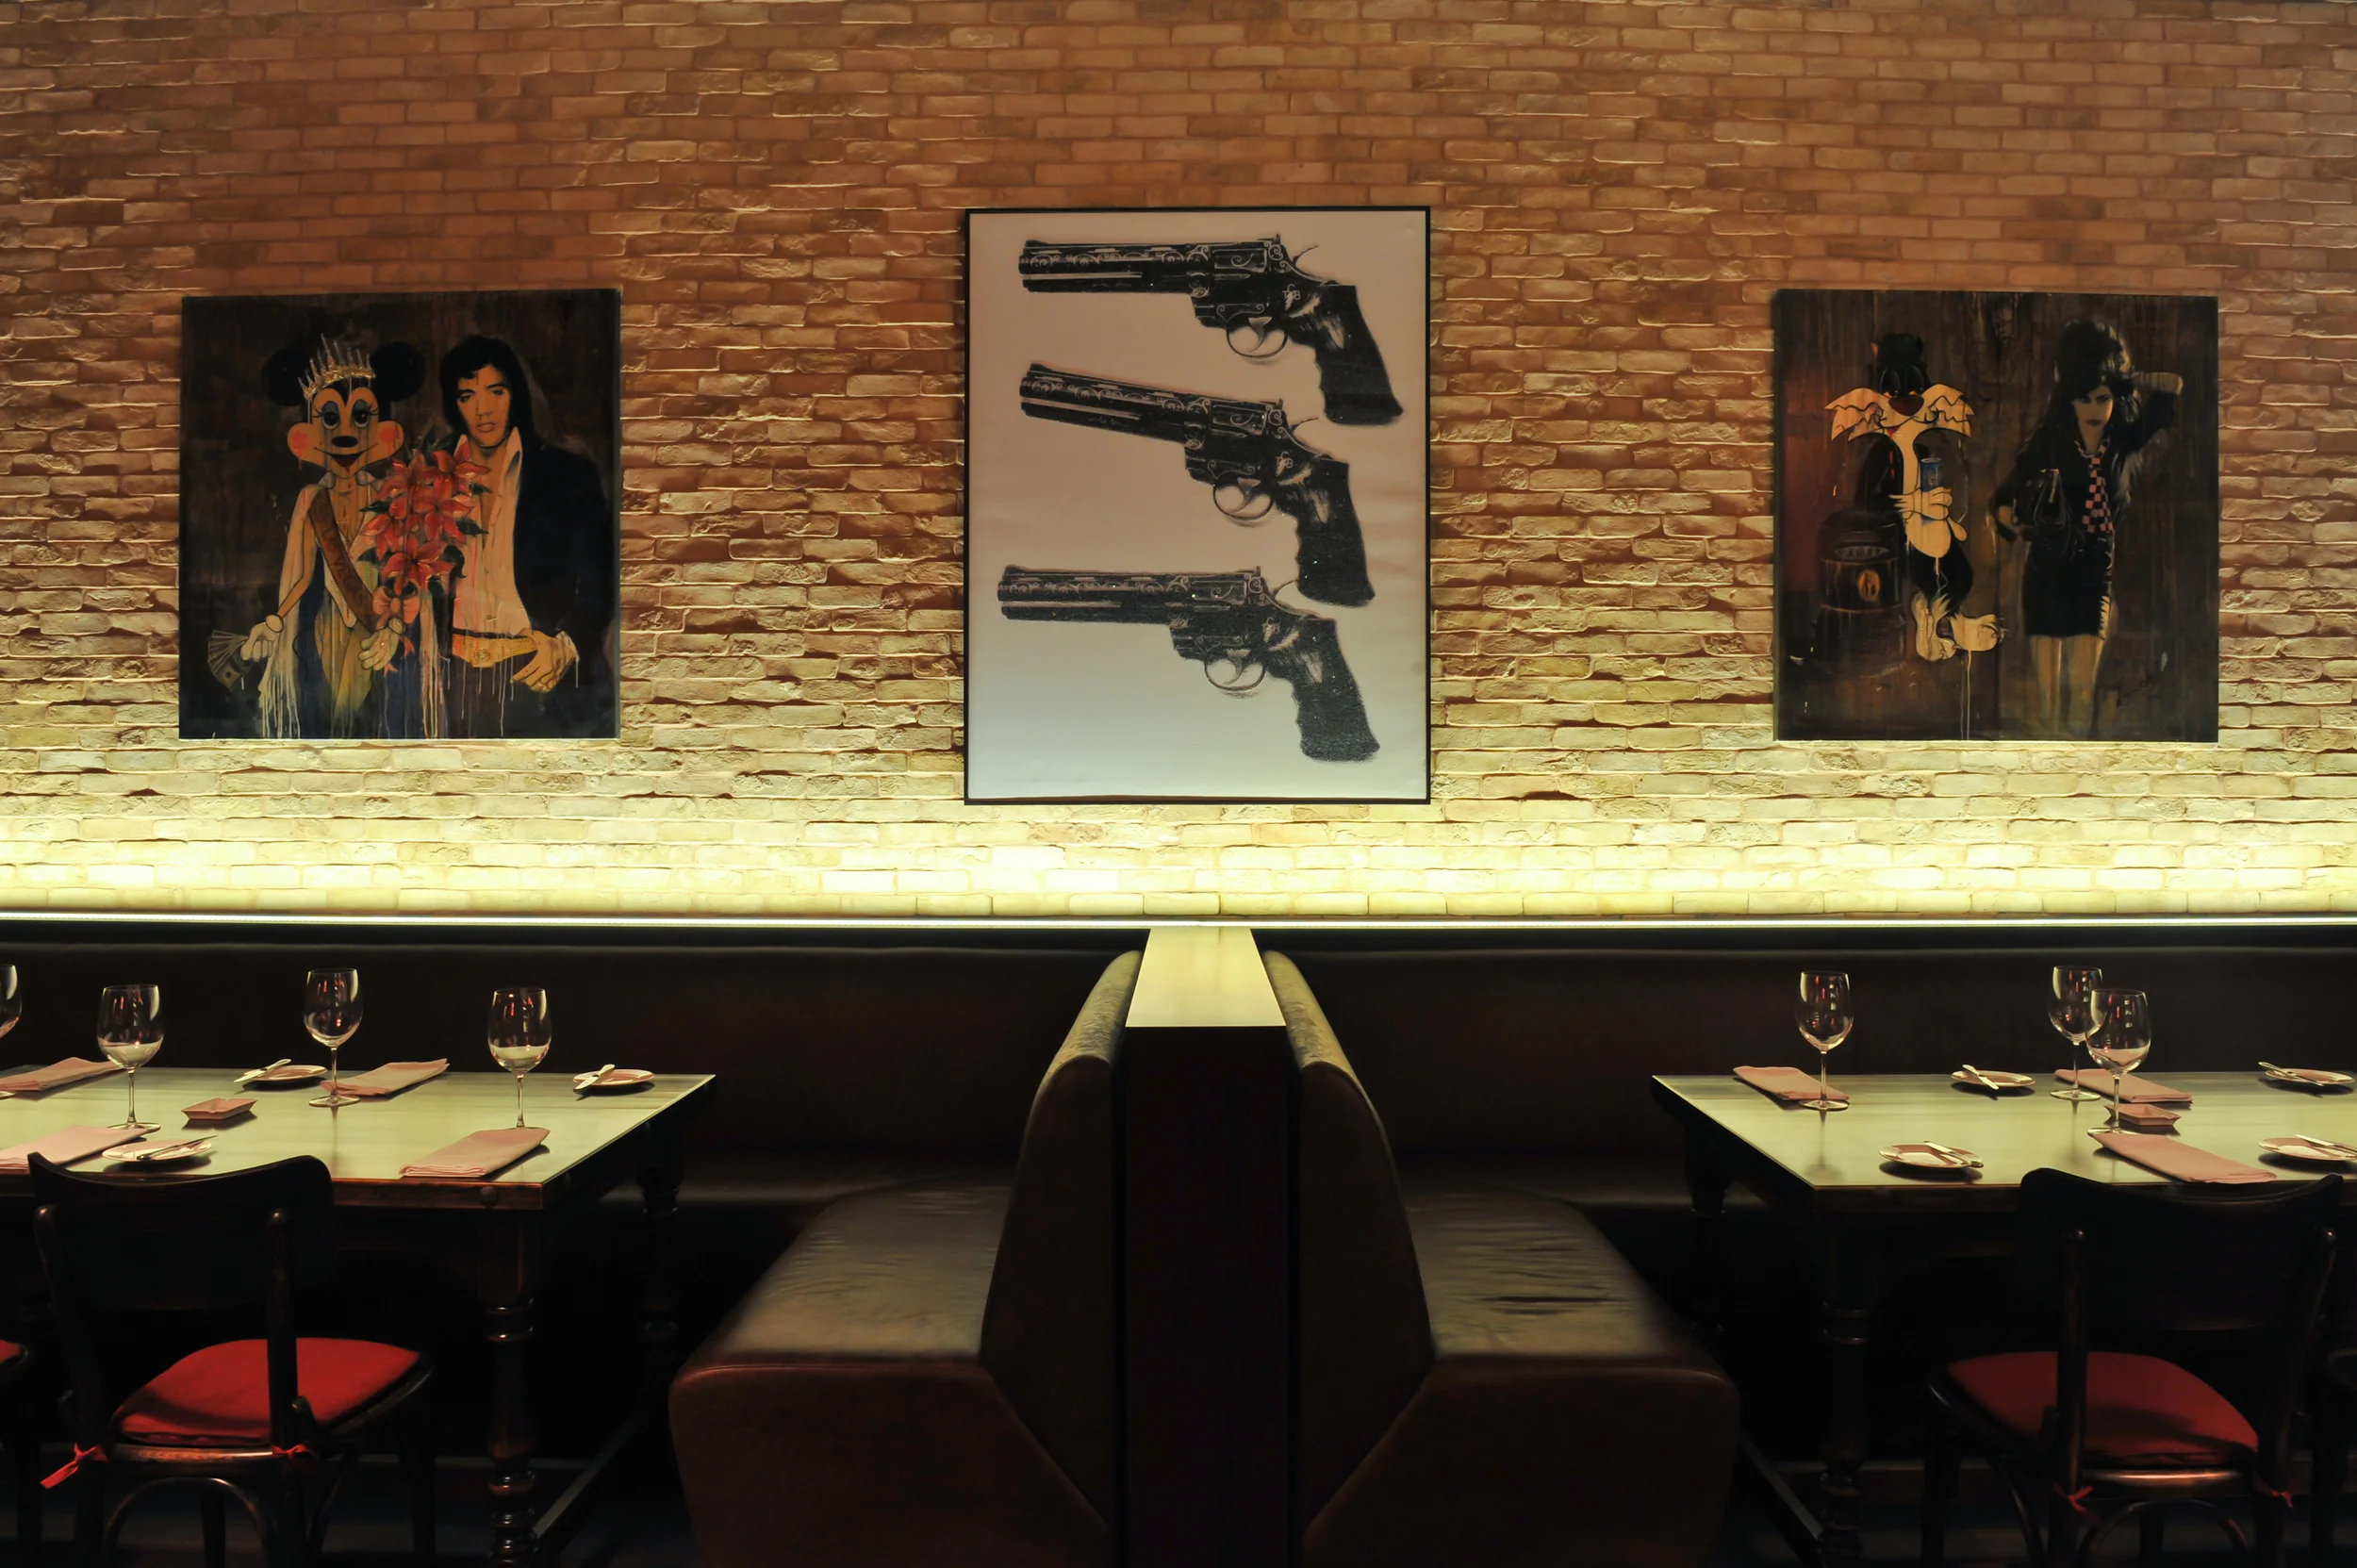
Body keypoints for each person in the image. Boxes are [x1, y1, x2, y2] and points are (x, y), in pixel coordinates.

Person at [1991, 320, 2183, 737]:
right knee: (2048, 701)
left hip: (2094, 575)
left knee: (2081, 696)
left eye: (2102, 398)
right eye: (2084, 399)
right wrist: (2011, 518)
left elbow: (2173, 385)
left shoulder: (2123, 441)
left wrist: (2124, 379)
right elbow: (2004, 495)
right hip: (2046, 574)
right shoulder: (2049, 442)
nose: (2094, 410)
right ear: (2069, 399)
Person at [237, 338, 422, 738]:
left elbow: (407, 577)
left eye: (361, 416)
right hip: (325, 630)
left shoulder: (391, 497)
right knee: (329, 719)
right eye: (330, 418)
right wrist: (274, 622)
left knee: (371, 721)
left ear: (385, 433)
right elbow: (303, 576)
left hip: (378, 630)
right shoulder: (312, 500)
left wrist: (393, 630)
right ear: (307, 435)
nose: (345, 433)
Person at [437, 336, 617, 737]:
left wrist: (568, 643)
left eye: (496, 391)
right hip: (453, 681)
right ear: (454, 404)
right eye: (468, 396)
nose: (483, 409)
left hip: (540, 675)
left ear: (515, 393)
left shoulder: (566, 474)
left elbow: (602, 579)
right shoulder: (431, 482)